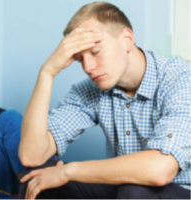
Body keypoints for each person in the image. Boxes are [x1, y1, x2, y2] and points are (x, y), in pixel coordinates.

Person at [18, 1, 191, 200]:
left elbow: (160, 169)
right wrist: (47, 72)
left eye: (95, 52)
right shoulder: (92, 90)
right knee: (37, 180)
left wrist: (69, 170)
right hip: (124, 189)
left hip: (179, 191)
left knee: (134, 192)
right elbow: (32, 155)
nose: (88, 67)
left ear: (127, 39)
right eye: (80, 58)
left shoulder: (180, 79)